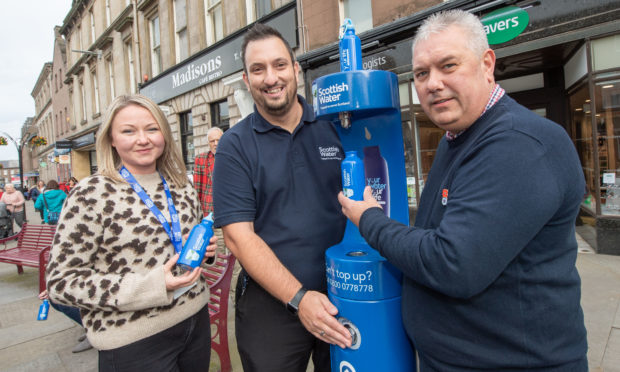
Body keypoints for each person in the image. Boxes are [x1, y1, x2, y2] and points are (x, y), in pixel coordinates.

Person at [337, 10, 588, 371]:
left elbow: (452, 264)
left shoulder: (518, 144)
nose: (432, 83)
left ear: (487, 64)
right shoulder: (456, 140)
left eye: (448, 65)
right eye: (422, 73)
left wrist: (369, 220)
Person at [213, 23, 351, 372]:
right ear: (246, 80)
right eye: (258, 69)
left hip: (343, 296)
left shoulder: (334, 126)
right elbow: (238, 237)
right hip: (269, 306)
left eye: (278, 65)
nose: (270, 78)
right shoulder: (235, 146)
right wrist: (299, 298)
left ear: (295, 69)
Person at [46, 94, 218, 371]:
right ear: (111, 139)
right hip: (133, 340)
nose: (143, 139)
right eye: (129, 131)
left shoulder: (181, 186)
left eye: (152, 129)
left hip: (195, 320)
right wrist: (151, 286)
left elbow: (188, 242)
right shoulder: (91, 193)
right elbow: (61, 283)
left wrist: (205, 252)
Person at [193, 127, 223, 216]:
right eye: (212, 141)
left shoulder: (232, 157)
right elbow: (197, 188)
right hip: (209, 211)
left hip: (230, 209)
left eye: (218, 140)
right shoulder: (201, 159)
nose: (216, 144)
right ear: (208, 143)